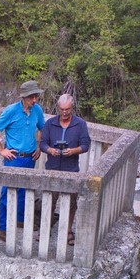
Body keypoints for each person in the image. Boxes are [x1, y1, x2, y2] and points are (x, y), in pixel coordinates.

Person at [0, 80, 46, 241]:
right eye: (31, 97)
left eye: (36, 96)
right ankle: (2, 228)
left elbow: (43, 128)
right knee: (7, 192)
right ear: (24, 97)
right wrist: (1, 150)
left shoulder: (37, 110)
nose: (34, 100)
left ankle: (20, 219)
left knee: (25, 190)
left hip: (30, 157)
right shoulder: (11, 111)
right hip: (14, 158)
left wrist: (39, 146)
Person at [40, 94, 91, 240]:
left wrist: (73, 151)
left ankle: (68, 231)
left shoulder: (80, 124)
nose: (64, 112)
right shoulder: (50, 123)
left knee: (71, 203)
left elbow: (86, 145)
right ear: (58, 108)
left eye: (67, 109)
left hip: (71, 169)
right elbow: (42, 143)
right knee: (49, 199)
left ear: (72, 108)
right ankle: (45, 229)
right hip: (52, 167)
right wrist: (50, 150)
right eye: (62, 109)